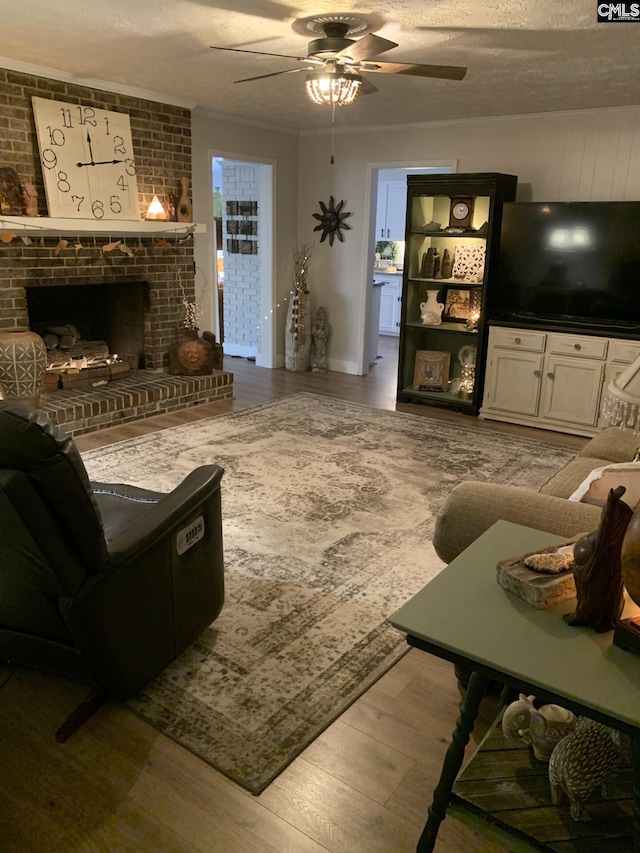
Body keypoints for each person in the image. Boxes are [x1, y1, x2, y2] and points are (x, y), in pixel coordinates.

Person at [311, 306, 329, 372]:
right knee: (317, 352)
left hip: (322, 340)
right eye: (321, 315)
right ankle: (316, 363)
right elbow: (313, 331)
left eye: (324, 315)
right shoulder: (316, 324)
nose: (322, 316)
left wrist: (323, 335)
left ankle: (322, 363)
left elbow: (327, 331)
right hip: (317, 340)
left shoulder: (326, 325)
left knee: (323, 352)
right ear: (318, 315)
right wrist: (316, 334)